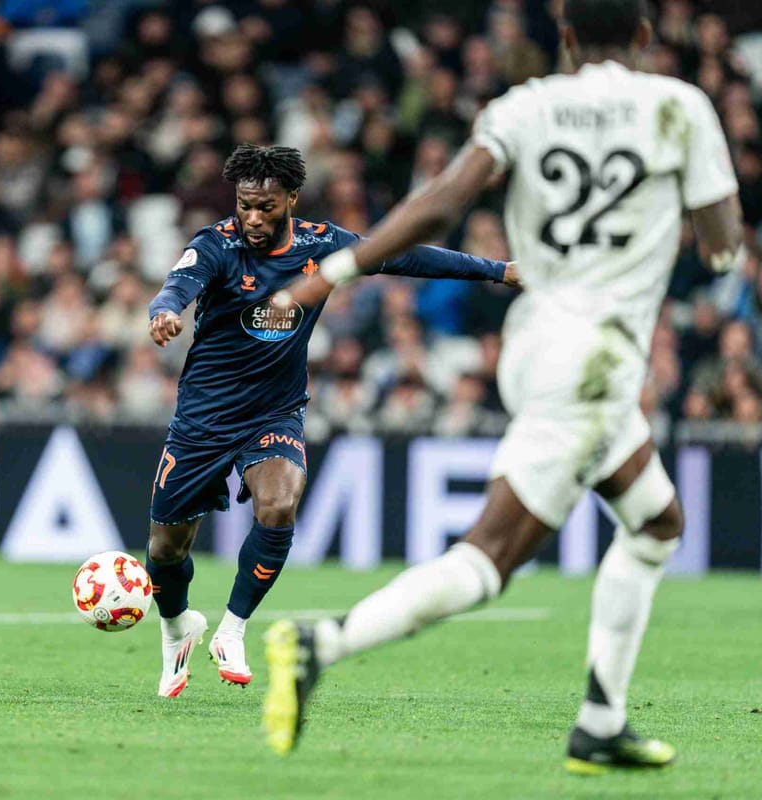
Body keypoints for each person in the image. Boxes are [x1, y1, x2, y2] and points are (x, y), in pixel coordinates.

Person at [262, 0, 743, 772]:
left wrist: (333, 273)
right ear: (647, 37)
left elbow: (445, 200)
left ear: (567, 36)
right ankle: (322, 643)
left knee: (656, 523)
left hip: (535, 342)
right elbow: (721, 244)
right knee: (487, 560)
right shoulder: (681, 108)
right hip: (594, 361)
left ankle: (600, 721)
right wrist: (710, 256)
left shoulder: (524, 106)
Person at [145, 143, 519, 698]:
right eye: (244, 205)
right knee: (164, 550)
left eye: (265, 207)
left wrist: (499, 270)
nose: (251, 217)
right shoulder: (216, 245)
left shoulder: (325, 245)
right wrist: (166, 311)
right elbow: (180, 284)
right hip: (202, 417)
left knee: (279, 502)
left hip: (275, 411)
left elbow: (407, 256)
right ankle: (178, 627)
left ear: (291, 199)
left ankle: (233, 628)